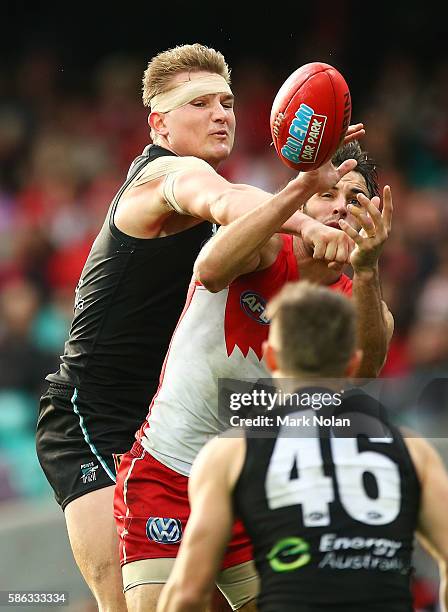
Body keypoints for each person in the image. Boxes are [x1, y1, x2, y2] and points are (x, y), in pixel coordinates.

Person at [35, 42, 364, 611]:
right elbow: (223, 199)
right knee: (126, 603)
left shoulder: (232, 186)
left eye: (228, 102)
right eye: (200, 103)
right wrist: (308, 214)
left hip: (171, 425)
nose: (221, 114)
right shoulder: (169, 174)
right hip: (95, 417)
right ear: (159, 123)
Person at [113, 140, 393, 611]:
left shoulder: (359, 301)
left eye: (355, 198)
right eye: (328, 194)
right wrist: (298, 189)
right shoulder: (263, 245)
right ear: (303, 202)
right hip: (166, 474)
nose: (341, 207)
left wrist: (366, 271)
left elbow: (364, 370)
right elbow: (210, 267)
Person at [158, 282, 448, 612]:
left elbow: (188, 594)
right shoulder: (412, 449)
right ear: (353, 364)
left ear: (272, 358)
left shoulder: (231, 452)